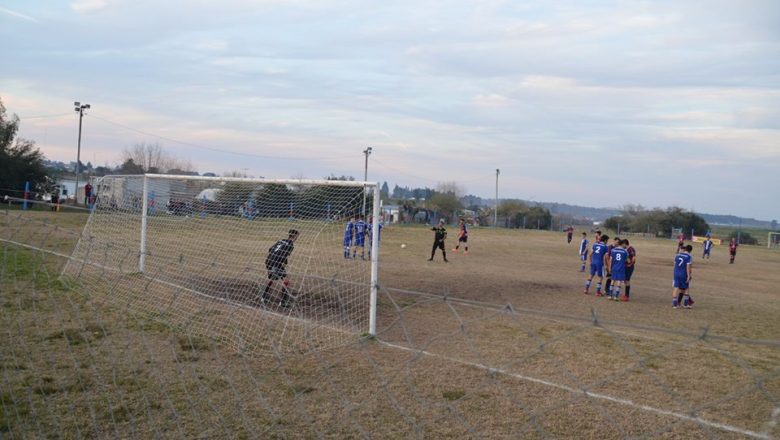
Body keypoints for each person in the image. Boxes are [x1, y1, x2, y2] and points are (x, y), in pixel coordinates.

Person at [262, 229, 299, 307]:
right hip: (276, 263)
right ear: (295, 236)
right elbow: (283, 256)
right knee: (286, 280)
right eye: (297, 236)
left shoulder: (281, 240)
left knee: (272, 278)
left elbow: (270, 249)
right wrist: (284, 262)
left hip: (269, 261)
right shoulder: (290, 245)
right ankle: (283, 302)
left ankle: (264, 297)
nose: (297, 238)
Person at [672, 244, 694, 309]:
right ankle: (685, 304)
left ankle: (674, 305)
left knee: (676, 288)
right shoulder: (689, 256)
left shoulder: (677, 255)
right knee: (686, 288)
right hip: (683, 274)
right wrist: (688, 275)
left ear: (685, 249)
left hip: (676, 273)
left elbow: (674, 265)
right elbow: (688, 267)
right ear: (690, 251)